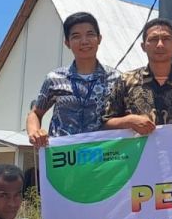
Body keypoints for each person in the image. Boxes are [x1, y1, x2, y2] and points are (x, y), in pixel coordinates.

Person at [27, 11, 114, 146]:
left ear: (99, 39)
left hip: (103, 158)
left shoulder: (116, 78)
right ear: (67, 43)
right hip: (63, 158)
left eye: (90, 34)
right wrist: (35, 132)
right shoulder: (54, 79)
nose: (84, 41)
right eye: (76, 36)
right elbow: (35, 113)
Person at [103, 18, 172, 132]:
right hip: (138, 149)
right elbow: (106, 122)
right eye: (153, 39)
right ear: (143, 46)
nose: (160, 45)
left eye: (166, 39)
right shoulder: (126, 81)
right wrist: (127, 121)